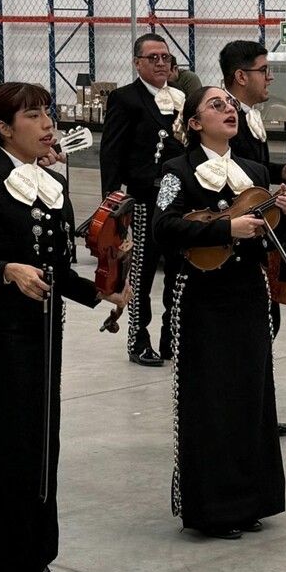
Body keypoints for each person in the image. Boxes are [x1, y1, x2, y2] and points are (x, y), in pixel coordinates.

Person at [0, 82, 128, 572]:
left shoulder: (51, 182)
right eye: (33, 114)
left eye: (47, 112)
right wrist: (6, 271)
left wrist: (102, 294)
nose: (47, 123)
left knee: (43, 444)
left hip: (46, 331)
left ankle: (37, 557)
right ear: (3, 128)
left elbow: (59, 269)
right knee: (3, 446)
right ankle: (2, 565)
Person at [153, 87, 286, 539]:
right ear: (194, 123)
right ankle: (212, 507)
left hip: (248, 294)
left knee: (251, 397)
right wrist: (224, 226)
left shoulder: (253, 170)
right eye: (216, 105)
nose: (228, 109)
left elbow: (266, 235)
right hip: (201, 295)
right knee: (210, 399)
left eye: (230, 105)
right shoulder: (177, 171)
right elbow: (163, 227)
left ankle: (249, 499)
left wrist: (284, 213)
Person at [219, 39, 286, 436]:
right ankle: (243, 413)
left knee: (265, 325)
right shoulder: (226, 117)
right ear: (240, 76)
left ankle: (258, 410)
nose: (270, 77)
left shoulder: (249, 115)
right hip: (237, 239)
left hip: (258, 231)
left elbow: (250, 170)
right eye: (263, 70)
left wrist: (280, 174)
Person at [100, 33, 186, 367]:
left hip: (176, 200)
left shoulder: (180, 98)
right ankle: (138, 340)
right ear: (137, 62)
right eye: (153, 58)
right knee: (141, 274)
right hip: (142, 200)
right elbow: (111, 152)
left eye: (166, 57)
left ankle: (172, 338)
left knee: (178, 271)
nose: (161, 63)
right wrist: (111, 204)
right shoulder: (126, 98)